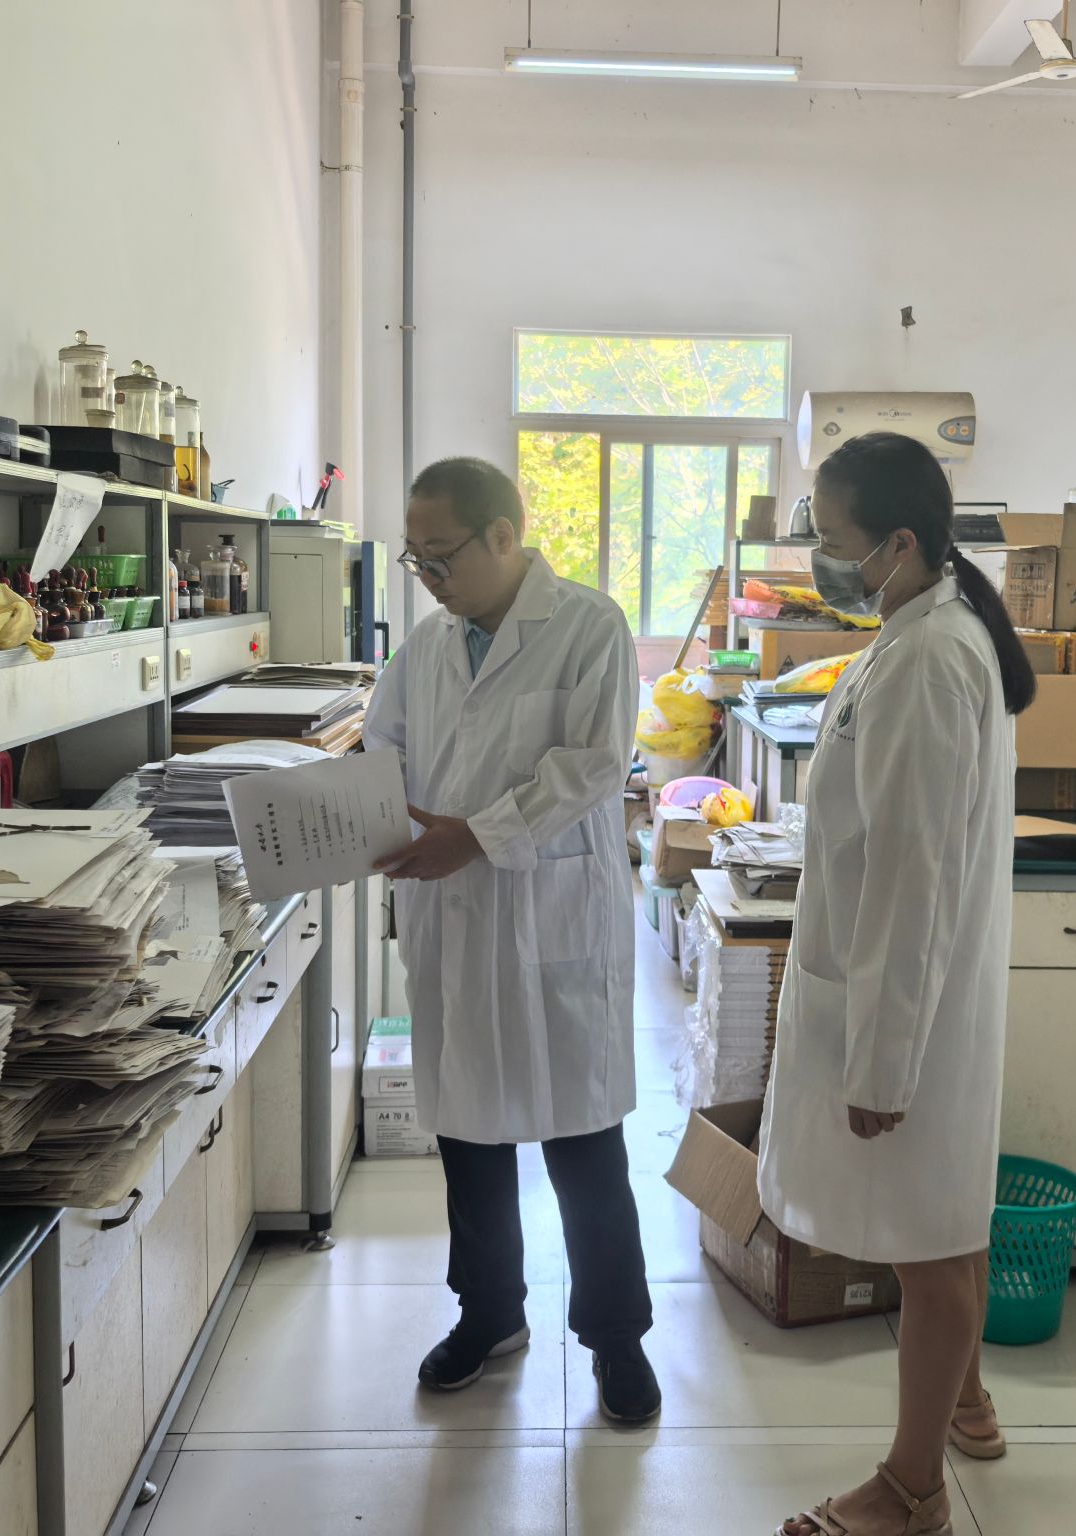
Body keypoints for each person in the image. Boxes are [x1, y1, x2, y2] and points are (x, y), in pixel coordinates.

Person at [760, 432, 1037, 1536]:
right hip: (919, 989)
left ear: (901, 543)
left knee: (929, 1246)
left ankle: (911, 1489)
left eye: (834, 541)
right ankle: (965, 1400)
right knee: (947, 1215)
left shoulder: (928, 659)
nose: (821, 561)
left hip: (909, 1003)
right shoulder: (924, 629)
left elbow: (908, 873)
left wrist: (881, 1063)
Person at [363, 456, 660, 1424]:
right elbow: (384, 741)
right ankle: (488, 1314)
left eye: (440, 555)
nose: (428, 577)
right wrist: (368, 812)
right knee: (469, 1138)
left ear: (503, 535)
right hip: (454, 917)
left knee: (584, 1143)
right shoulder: (426, 646)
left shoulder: (589, 626)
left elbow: (594, 764)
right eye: (415, 559)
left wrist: (476, 836)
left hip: (550, 916)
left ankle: (615, 1336)